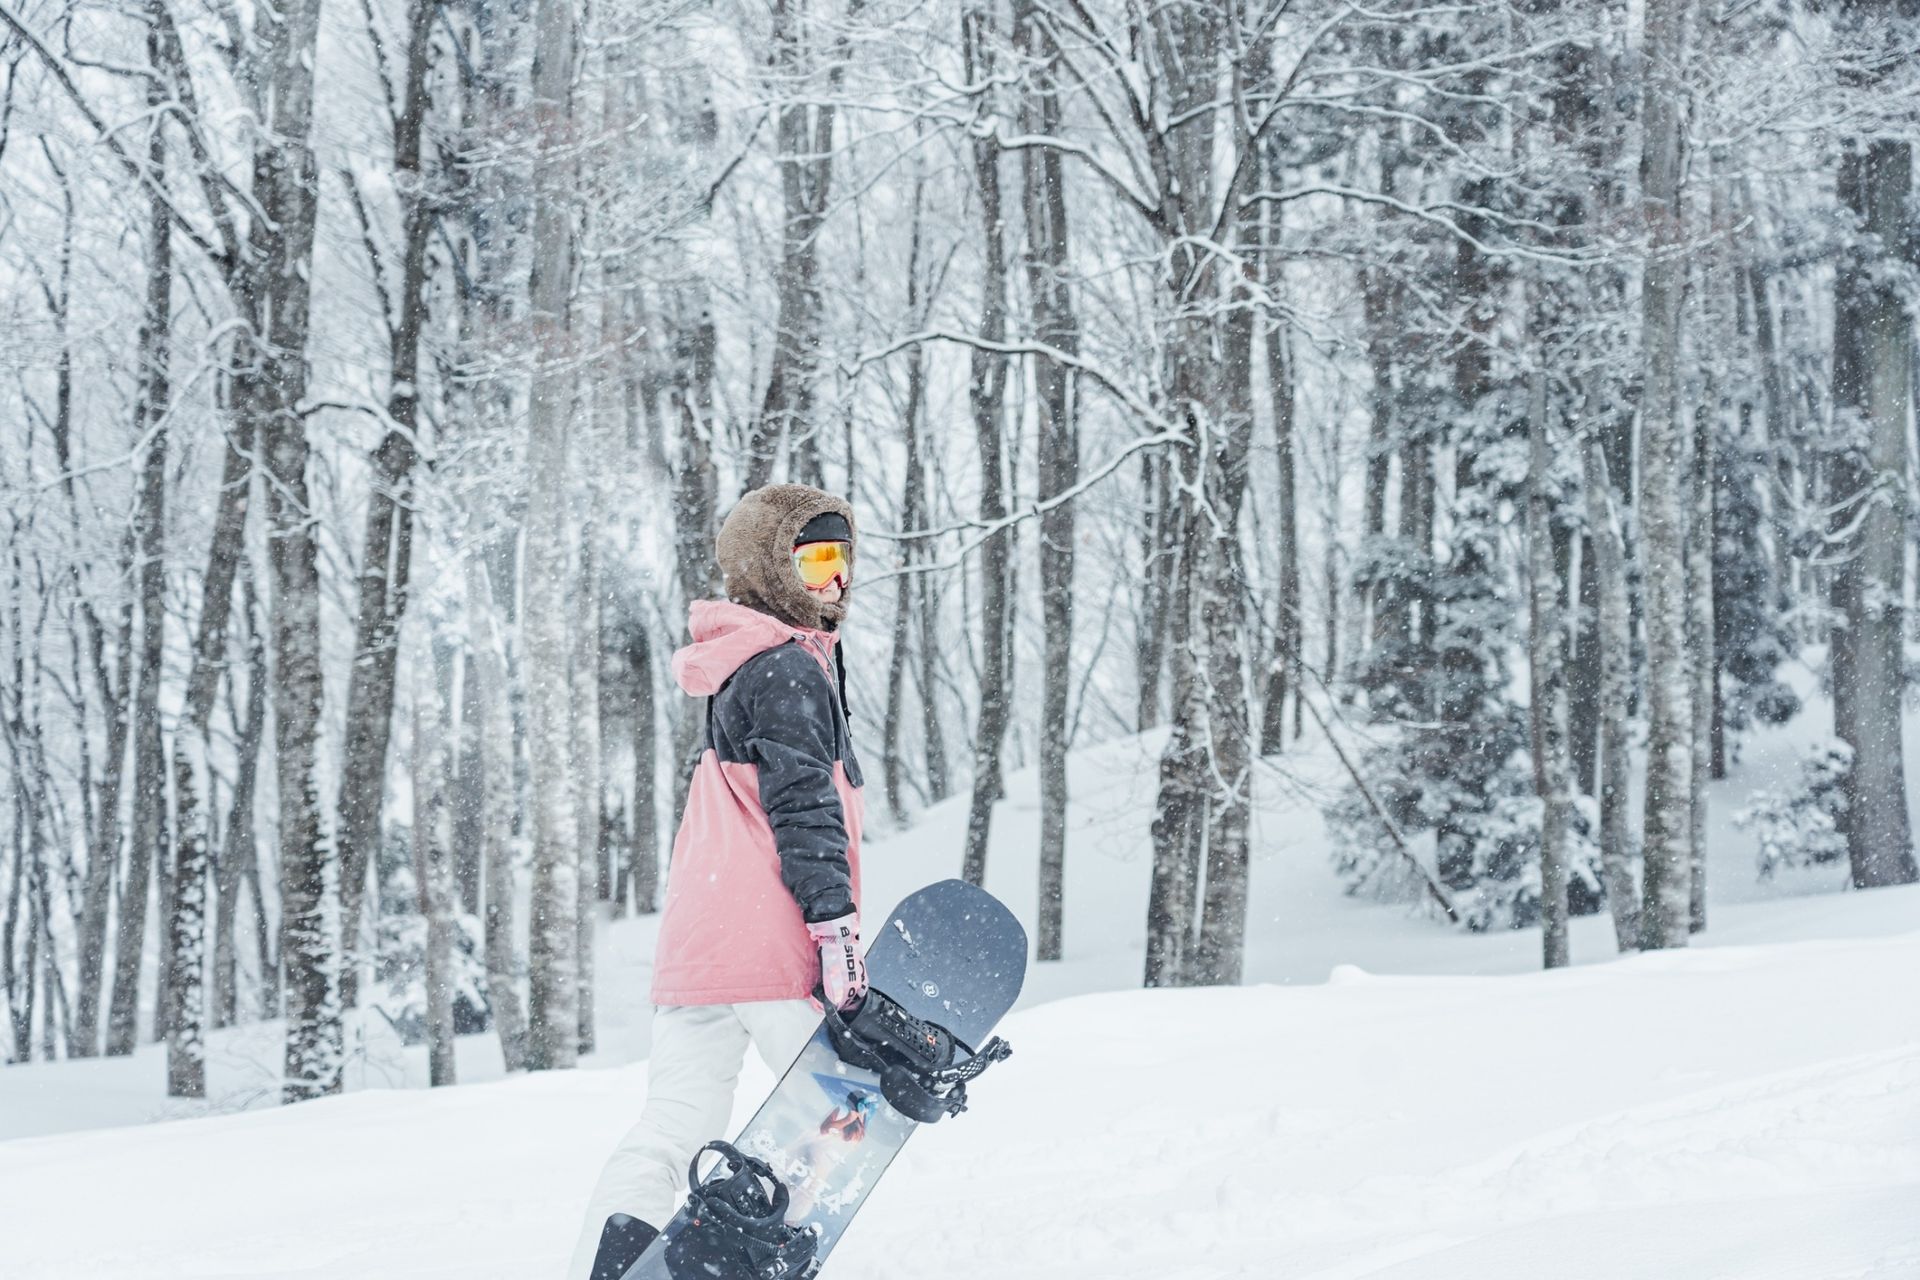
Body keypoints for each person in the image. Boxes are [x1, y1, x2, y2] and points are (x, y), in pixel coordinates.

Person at [568, 483, 869, 1280]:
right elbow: (804, 803)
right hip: (767, 944)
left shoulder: (738, 668)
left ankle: (613, 1263)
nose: (835, 581)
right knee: (844, 1111)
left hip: (697, 952)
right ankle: (740, 1243)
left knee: (667, 1129)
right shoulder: (788, 671)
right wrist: (834, 927)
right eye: (814, 562)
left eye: (843, 559)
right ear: (769, 572)